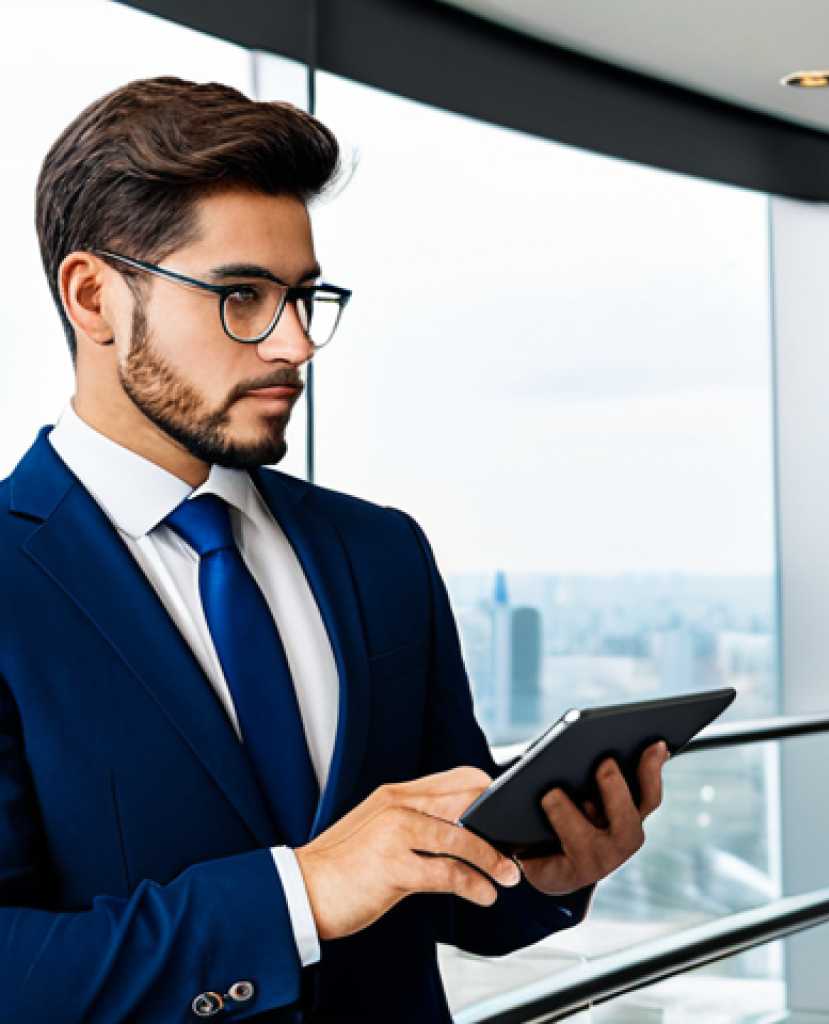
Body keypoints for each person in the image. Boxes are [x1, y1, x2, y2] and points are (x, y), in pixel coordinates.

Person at [0, 77, 670, 1022]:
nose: (299, 343)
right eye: (242, 296)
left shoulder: (380, 551)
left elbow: (449, 885)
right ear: (94, 296)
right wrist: (300, 894)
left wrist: (554, 870)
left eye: (305, 296)